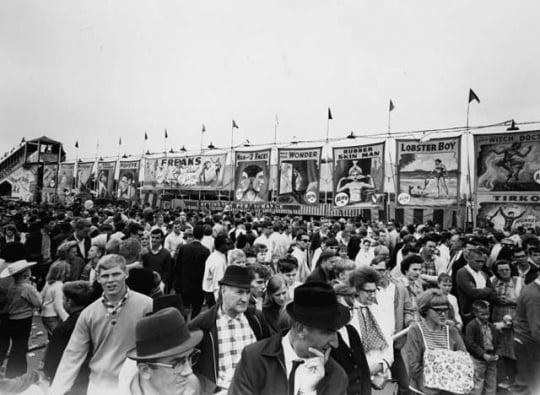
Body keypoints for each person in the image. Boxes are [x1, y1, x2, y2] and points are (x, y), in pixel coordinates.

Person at [49, 254, 153, 395]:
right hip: (99, 386)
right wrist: (56, 391)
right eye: (105, 276)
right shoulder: (89, 314)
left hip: (136, 385)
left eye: (116, 274)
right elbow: (72, 356)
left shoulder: (147, 306)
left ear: (126, 274)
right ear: (98, 278)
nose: (110, 280)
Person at [229, 282, 349, 395]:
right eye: (328, 331)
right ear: (301, 328)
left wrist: (307, 392)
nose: (336, 343)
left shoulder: (336, 377)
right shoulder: (254, 358)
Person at [188, 265, 270, 394]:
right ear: (223, 290)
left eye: (248, 292)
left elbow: (268, 353)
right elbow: (191, 367)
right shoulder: (203, 324)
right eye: (239, 292)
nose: (245, 299)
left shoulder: (256, 319)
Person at [119, 307, 203, 395]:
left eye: (190, 358)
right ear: (145, 370)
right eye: (177, 363)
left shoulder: (191, 385)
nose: (189, 371)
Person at [403, 289, 468, 395]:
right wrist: (432, 389)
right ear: (425, 310)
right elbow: (414, 365)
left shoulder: (451, 331)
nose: (443, 314)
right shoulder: (416, 330)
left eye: (446, 310)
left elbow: (463, 358)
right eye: (438, 311)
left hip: (450, 389)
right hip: (424, 390)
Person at [43, 281, 97, 394]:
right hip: (92, 378)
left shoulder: (63, 329)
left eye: (63, 298)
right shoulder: (95, 320)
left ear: (69, 301)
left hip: (69, 382)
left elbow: (51, 364)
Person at [1, 259, 42, 378]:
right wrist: (36, 290)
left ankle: (14, 370)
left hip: (12, 318)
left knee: (16, 344)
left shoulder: (12, 286)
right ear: (25, 274)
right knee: (20, 346)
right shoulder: (27, 288)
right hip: (24, 319)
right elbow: (38, 302)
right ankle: (16, 372)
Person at [330, 284, 372, 395]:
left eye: (351, 309)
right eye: (346, 309)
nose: (350, 313)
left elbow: (364, 368)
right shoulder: (327, 337)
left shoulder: (351, 331)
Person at [512, 273, 540, 395]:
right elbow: (537, 330)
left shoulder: (532, 289)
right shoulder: (534, 295)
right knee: (535, 384)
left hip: (525, 342)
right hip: (529, 344)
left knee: (523, 383)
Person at [175, 225, 210, 318]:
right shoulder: (205, 251)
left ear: (193, 235)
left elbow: (178, 266)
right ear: (202, 236)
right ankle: (193, 323)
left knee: (184, 307)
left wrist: (177, 283)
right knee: (196, 307)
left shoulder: (184, 248)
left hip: (184, 283)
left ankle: (184, 322)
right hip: (198, 285)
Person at [465, 300, 500, 395]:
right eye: (482, 314)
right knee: (478, 383)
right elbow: (470, 343)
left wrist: (497, 353)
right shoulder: (471, 326)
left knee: (491, 382)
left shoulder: (492, 327)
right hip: (478, 360)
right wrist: (482, 354)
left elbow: (497, 342)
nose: (486, 317)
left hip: (491, 358)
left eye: (487, 314)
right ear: (475, 313)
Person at [456, 247, 495, 326]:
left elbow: (492, 291)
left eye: (482, 262)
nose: (480, 264)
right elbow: (473, 293)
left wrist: (485, 291)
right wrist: (487, 290)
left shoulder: (483, 274)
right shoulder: (463, 272)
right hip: (470, 313)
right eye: (477, 261)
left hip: (484, 311)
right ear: (469, 260)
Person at [40, 261, 70, 338]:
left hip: (45, 314)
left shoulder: (49, 283)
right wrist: (67, 318)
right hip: (52, 316)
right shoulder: (59, 287)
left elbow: (41, 296)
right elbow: (58, 306)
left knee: (52, 337)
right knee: (58, 338)